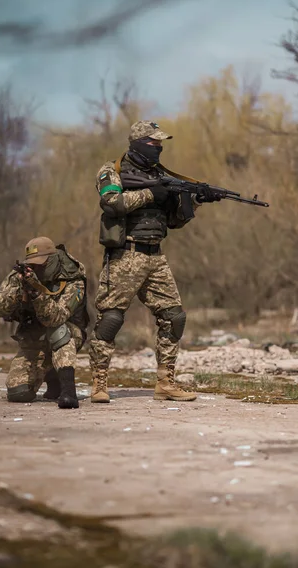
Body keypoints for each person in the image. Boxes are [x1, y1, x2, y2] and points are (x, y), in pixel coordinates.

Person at [89, 120, 221, 404]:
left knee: (174, 317)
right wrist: (152, 193)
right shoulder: (113, 170)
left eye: (160, 144)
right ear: (137, 144)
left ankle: (165, 382)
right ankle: (99, 382)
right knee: (110, 319)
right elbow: (111, 202)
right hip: (125, 254)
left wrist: (195, 200)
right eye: (153, 143)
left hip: (155, 256)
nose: (158, 148)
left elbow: (173, 221)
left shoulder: (162, 175)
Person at [0, 237, 88, 409]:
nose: (36, 269)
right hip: (34, 336)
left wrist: (37, 295)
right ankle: (51, 377)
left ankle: (68, 391)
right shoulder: (22, 275)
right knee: (18, 393)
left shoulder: (72, 278)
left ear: (52, 260)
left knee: (58, 330)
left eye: (40, 265)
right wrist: (17, 291)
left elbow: (56, 318)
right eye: (32, 265)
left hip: (68, 334)